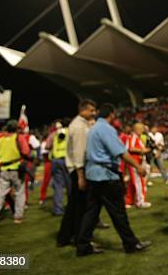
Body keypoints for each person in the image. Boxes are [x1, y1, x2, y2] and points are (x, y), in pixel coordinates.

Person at [76, 103, 151, 256]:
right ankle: (131, 244)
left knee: (91, 213)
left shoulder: (93, 128)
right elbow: (121, 152)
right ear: (112, 114)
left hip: (93, 174)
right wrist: (138, 166)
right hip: (106, 175)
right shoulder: (106, 129)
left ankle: (82, 245)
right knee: (118, 212)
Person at [57, 99, 97, 247]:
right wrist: (81, 175)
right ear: (83, 110)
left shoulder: (79, 124)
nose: (93, 113)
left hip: (76, 169)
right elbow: (79, 152)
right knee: (80, 207)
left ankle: (66, 236)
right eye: (91, 110)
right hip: (79, 170)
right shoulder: (79, 126)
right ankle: (78, 236)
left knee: (74, 206)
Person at [0, 120, 29, 226]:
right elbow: (26, 151)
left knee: (0, 194)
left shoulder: (0, 139)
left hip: (3, 170)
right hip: (16, 169)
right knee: (19, 193)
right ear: (16, 129)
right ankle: (18, 217)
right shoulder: (19, 137)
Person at [124, 123, 151, 209]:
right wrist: (143, 151)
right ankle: (140, 202)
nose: (143, 131)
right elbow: (130, 148)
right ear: (137, 129)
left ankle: (129, 201)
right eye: (142, 129)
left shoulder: (136, 138)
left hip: (136, 162)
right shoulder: (133, 137)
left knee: (133, 183)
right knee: (139, 182)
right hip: (134, 163)